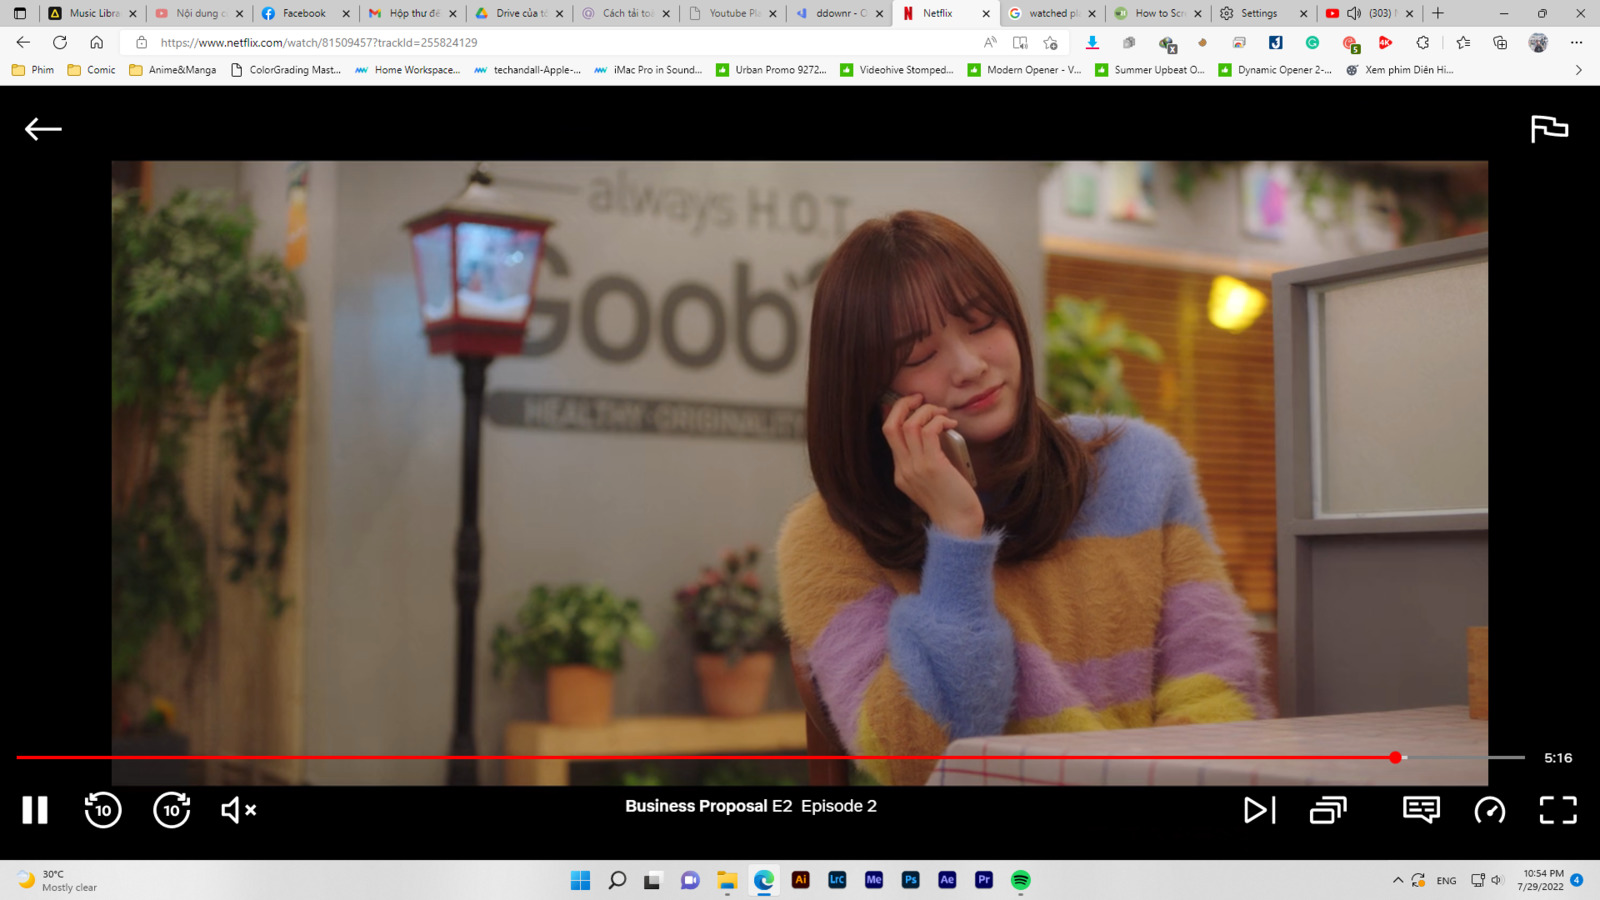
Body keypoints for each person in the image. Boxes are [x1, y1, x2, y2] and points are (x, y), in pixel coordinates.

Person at [775, 210, 1272, 786]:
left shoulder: (1139, 469)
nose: (969, 366)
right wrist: (956, 538)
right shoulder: (828, 542)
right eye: (917, 356)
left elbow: (1218, 689)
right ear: (869, 392)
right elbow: (913, 761)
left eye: (983, 323)